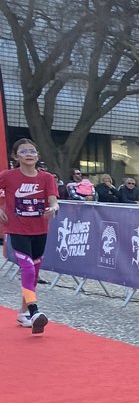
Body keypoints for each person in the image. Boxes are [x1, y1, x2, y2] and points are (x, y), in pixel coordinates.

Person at [0, 139, 57, 334]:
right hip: (17, 229)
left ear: (37, 155)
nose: (29, 154)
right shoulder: (7, 176)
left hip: (40, 230)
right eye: (23, 152)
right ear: (16, 157)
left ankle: (23, 312)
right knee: (27, 269)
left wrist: (53, 208)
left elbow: (53, 200)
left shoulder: (47, 178)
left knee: (33, 274)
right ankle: (34, 311)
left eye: (32, 151)